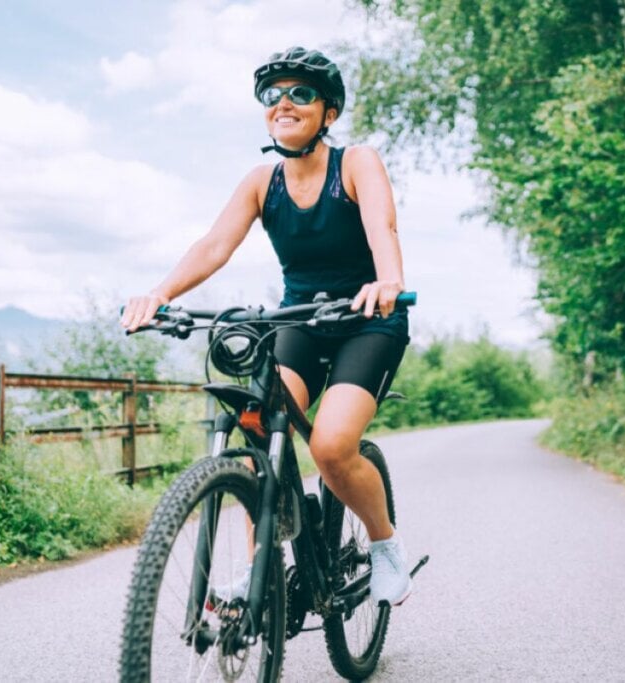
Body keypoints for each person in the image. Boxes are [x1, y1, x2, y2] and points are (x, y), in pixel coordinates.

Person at [120, 46, 413, 606]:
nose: (284, 102)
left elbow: (384, 227)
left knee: (329, 447)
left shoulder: (356, 163)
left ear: (328, 113)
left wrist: (388, 281)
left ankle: (384, 546)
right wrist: (160, 294)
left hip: (367, 322)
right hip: (299, 319)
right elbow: (213, 246)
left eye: (300, 93)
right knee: (259, 429)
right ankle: (266, 564)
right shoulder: (262, 181)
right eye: (272, 94)